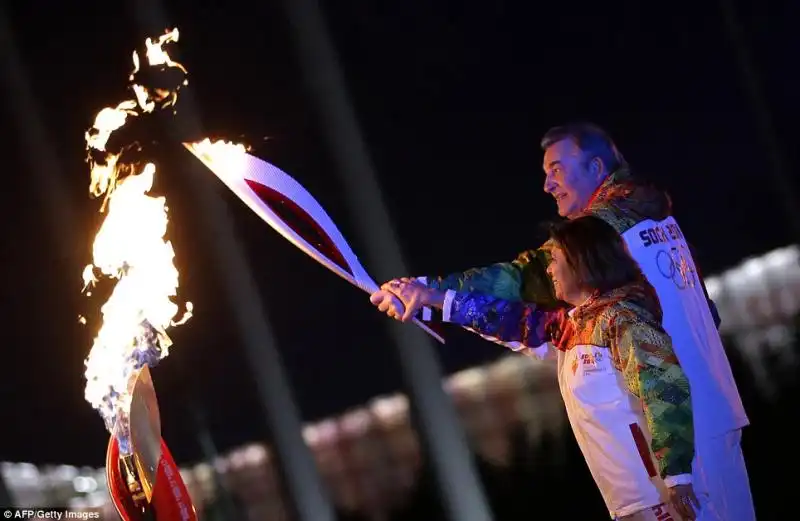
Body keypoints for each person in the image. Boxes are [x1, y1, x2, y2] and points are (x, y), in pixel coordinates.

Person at [371, 123, 754, 521]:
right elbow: (525, 323)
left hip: (680, 439)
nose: (548, 185)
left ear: (595, 166)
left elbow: (521, 280)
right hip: (703, 418)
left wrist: (427, 289)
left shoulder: (606, 233)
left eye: (556, 169)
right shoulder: (657, 225)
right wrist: (434, 301)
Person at [373, 216, 698, 520]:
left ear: (581, 261)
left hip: (661, 499)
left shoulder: (624, 322)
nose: (550, 270)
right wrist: (431, 297)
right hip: (629, 503)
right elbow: (503, 318)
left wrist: (678, 477)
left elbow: (666, 390)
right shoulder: (570, 327)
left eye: (555, 259)